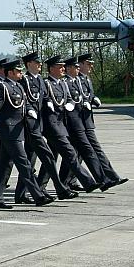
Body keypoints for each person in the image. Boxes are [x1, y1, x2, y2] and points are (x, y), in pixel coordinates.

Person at [0, 59, 54, 209]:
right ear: (10, 72)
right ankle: (38, 195)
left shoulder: (18, 87)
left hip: (17, 131)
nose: (21, 73)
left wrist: (29, 110)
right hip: (8, 132)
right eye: (18, 71)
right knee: (24, 164)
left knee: (4, 166)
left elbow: (25, 103)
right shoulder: (2, 87)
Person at [17, 52, 78, 201]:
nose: (39, 65)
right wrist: (31, 109)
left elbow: (44, 98)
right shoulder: (24, 80)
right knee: (42, 158)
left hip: (40, 125)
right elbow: (23, 99)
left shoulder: (40, 80)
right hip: (29, 125)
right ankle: (58, 189)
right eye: (36, 62)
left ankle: (22, 194)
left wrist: (49, 102)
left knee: (29, 161)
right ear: (29, 64)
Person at [38, 56, 100, 193]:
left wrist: (72, 103)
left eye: (63, 66)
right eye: (59, 67)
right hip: (52, 126)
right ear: (51, 69)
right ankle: (89, 183)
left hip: (62, 125)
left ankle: (42, 187)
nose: (62, 69)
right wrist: (46, 103)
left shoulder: (62, 84)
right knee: (70, 154)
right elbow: (37, 100)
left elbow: (70, 99)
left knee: (50, 159)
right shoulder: (46, 83)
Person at [76, 53, 129, 189]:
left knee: (87, 152)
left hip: (87, 121)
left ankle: (112, 176)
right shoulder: (75, 80)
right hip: (78, 121)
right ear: (80, 65)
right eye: (88, 64)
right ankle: (108, 177)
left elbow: (89, 95)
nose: (91, 66)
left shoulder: (87, 79)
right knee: (82, 152)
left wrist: (93, 99)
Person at [62, 57, 113, 189]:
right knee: (54, 157)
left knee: (74, 154)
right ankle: (102, 180)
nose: (78, 69)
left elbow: (84, 96)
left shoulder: (78, 81)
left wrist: (92, 99)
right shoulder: (65, 82)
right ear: (69, 68)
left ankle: (66, 183)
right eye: (76, 66)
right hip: (69, 123)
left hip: (81, 121)